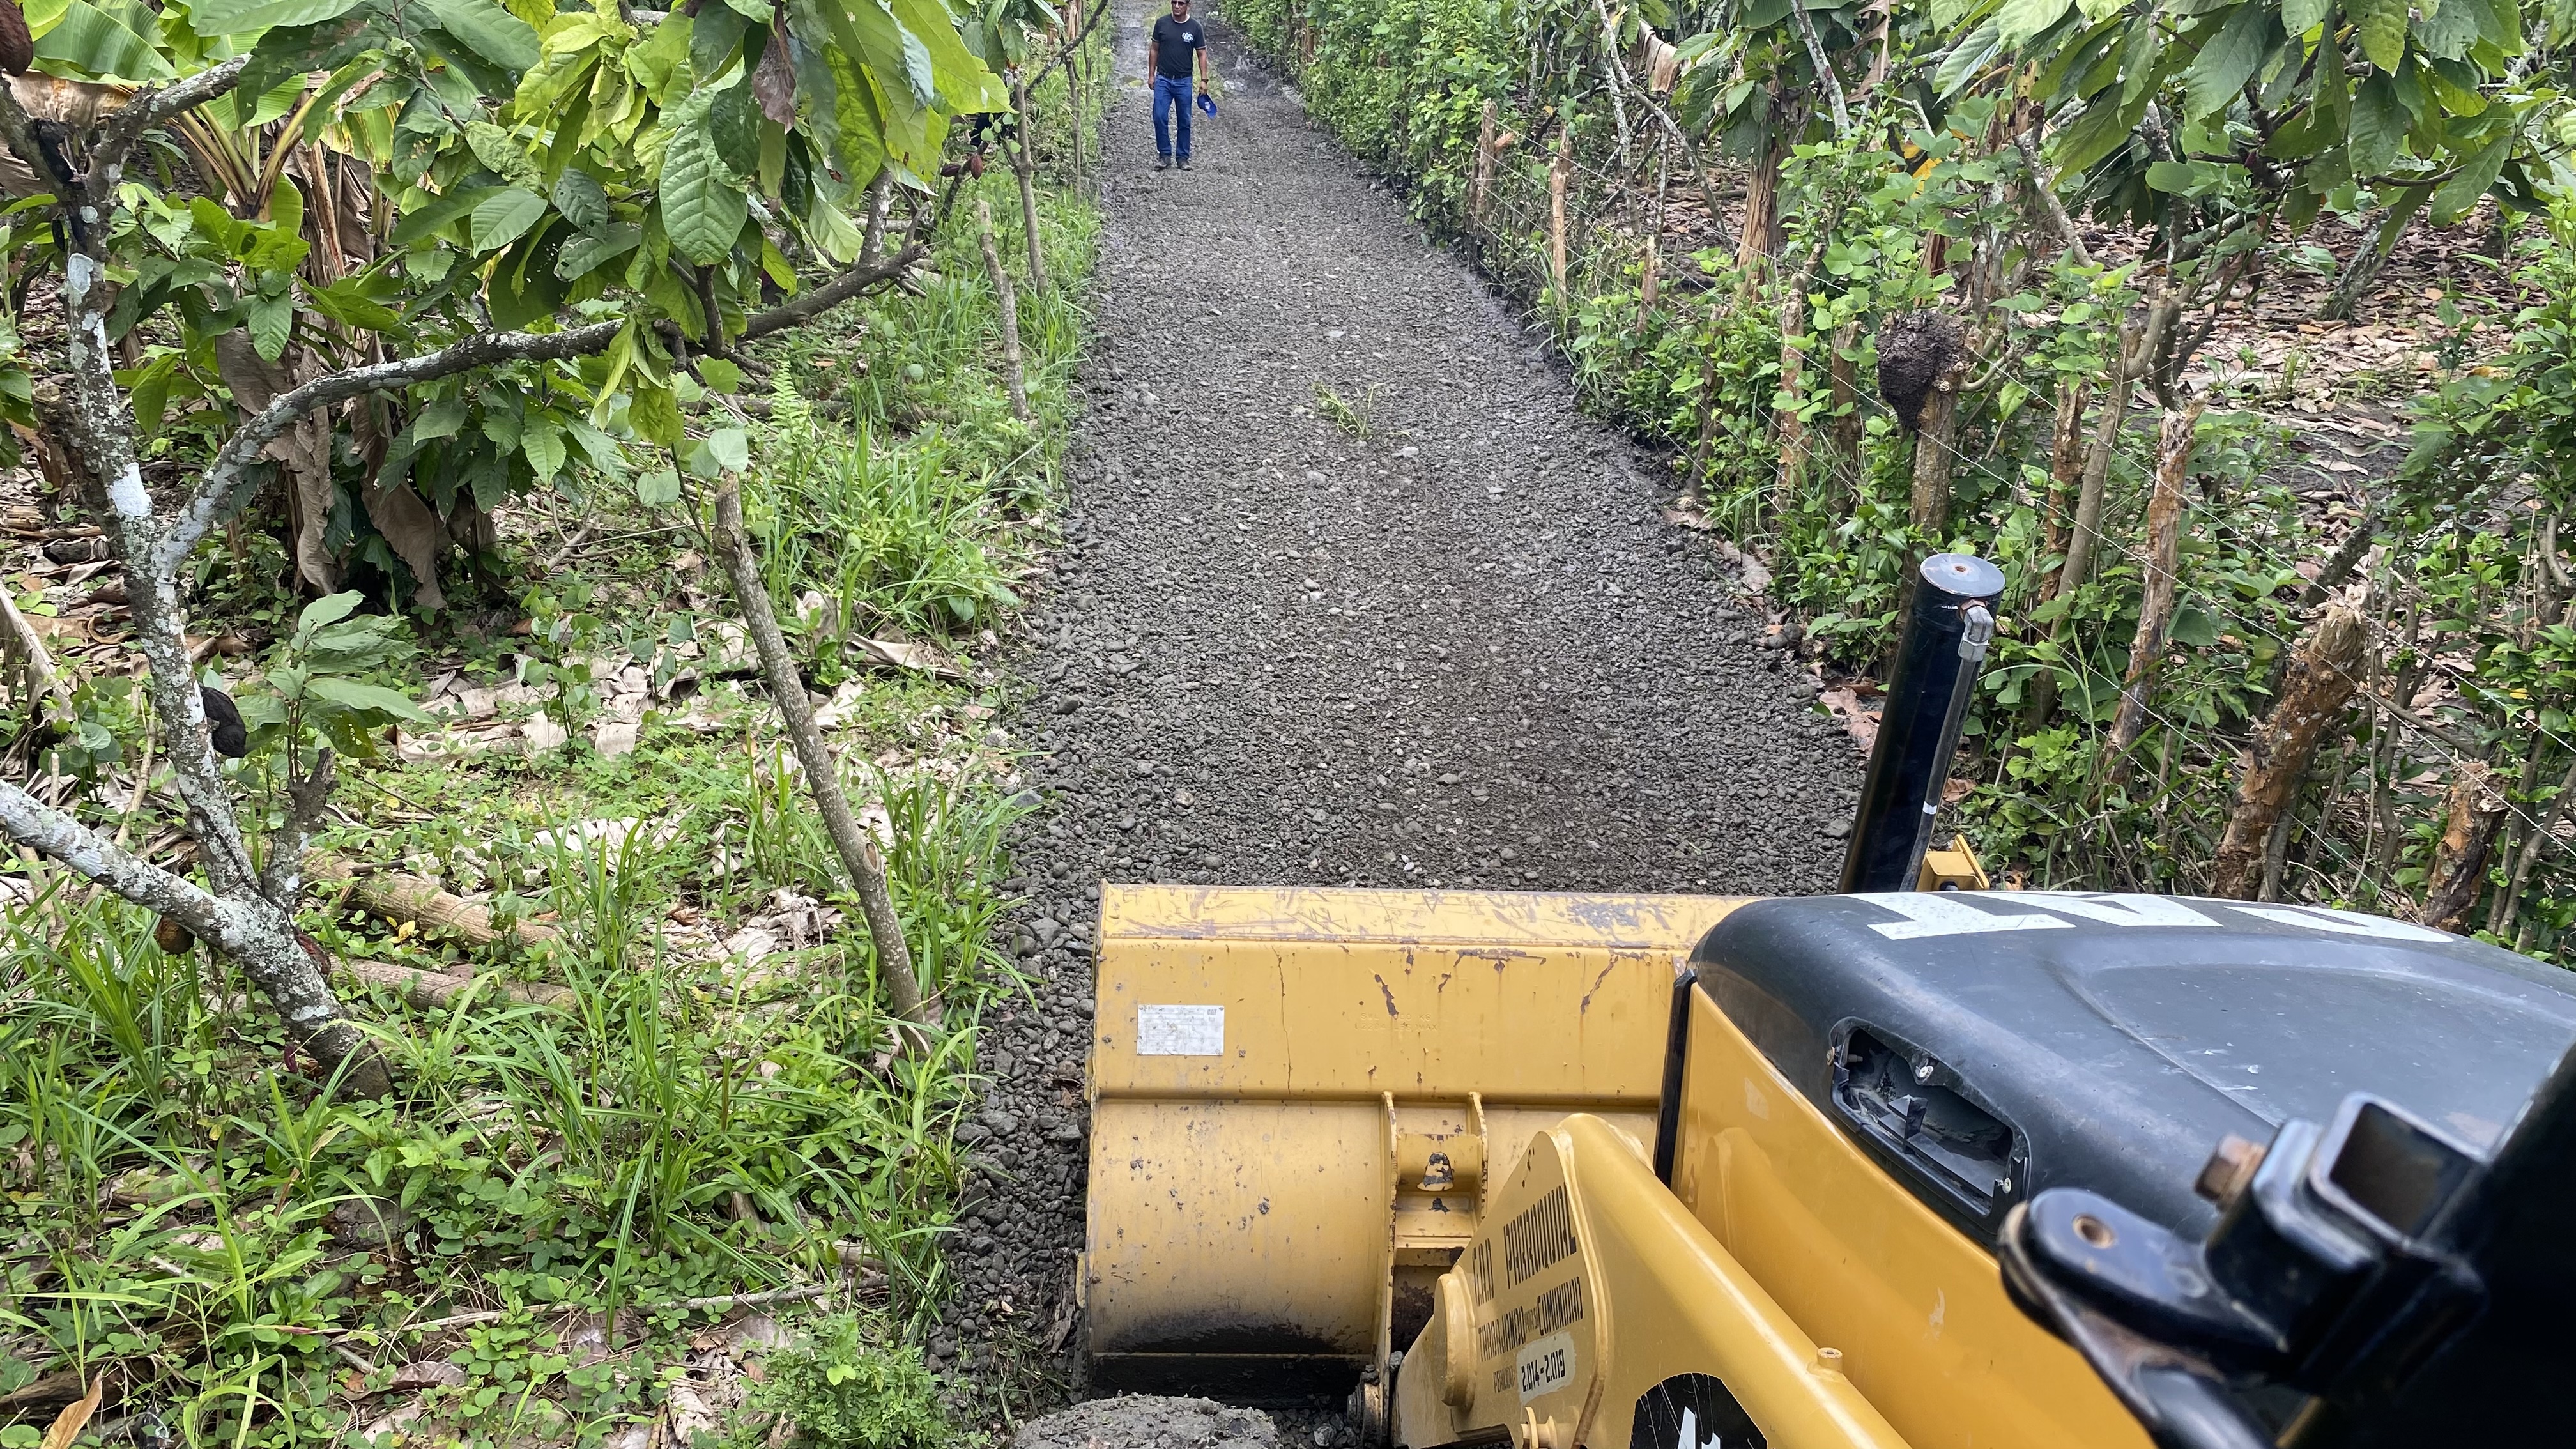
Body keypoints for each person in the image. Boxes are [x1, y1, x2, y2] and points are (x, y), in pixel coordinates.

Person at [1147, 0, 1210, 171]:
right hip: (1164, 79)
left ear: (1188, 5)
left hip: (1184, 81)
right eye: (1174, 2)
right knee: (1159, 116)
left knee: (1185, 120)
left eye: (1181, 3)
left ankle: (1183, 157)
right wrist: (1151, 75)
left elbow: (1202, 54)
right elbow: (1154, 49)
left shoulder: (1195, 28)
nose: (1176, 6)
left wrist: (1204, 80)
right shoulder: (1162, 23)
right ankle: (1164, 155)